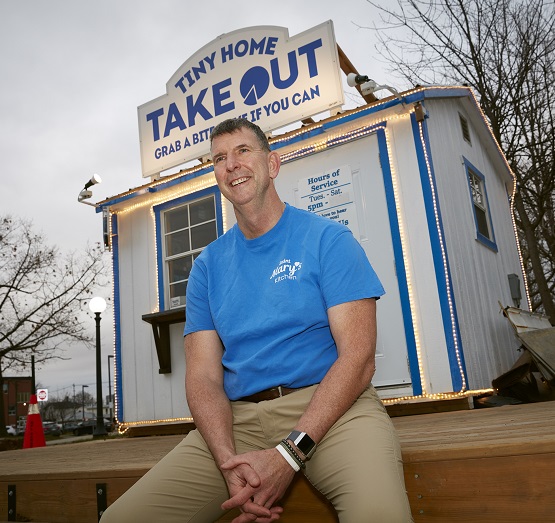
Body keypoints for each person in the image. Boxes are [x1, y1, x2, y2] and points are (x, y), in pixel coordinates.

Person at [101, 118, 413, 523]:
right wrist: (228, 462)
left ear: (273, 164)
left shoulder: (328, 240)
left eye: (243, 151)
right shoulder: (208, 267)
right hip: (239, 419)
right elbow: (203, 379)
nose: (231, 164)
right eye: (219, 158)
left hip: (332, 408)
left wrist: (288, 455)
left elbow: (358, 359)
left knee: (379, 515)